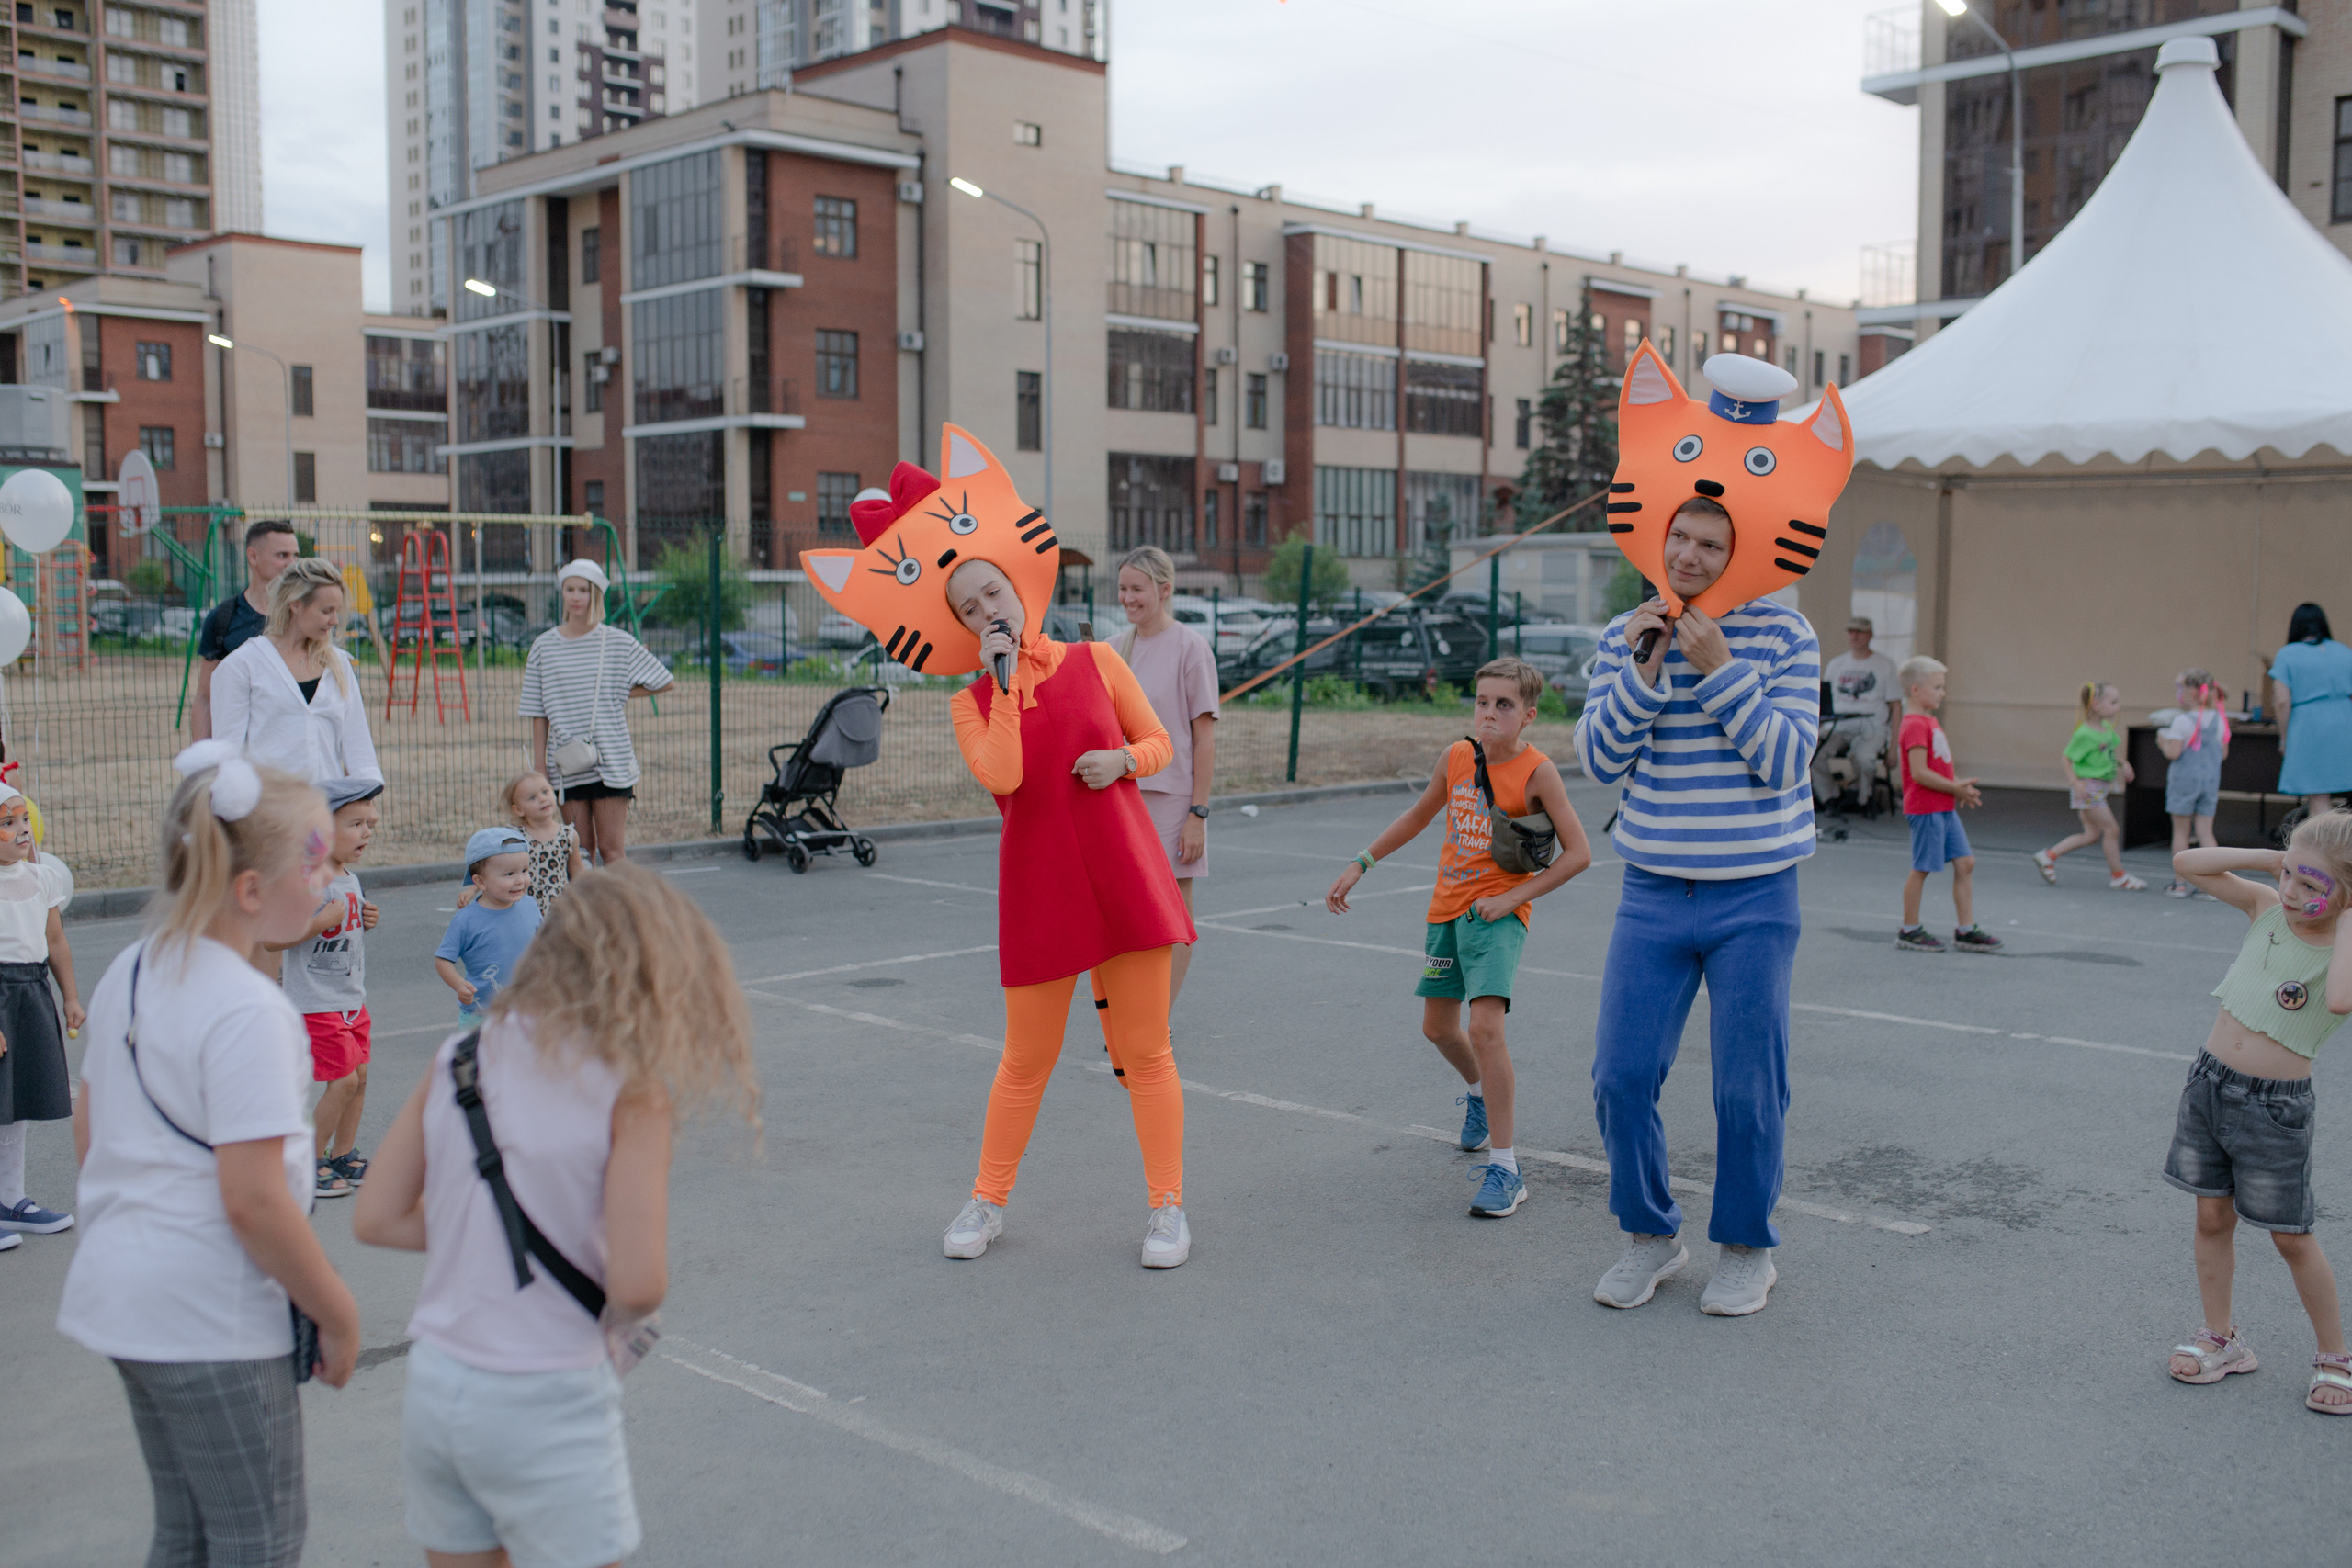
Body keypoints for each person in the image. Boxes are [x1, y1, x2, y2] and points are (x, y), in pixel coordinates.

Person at [797, 430, 1197, 1269]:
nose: (987, 614)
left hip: (1123, 871)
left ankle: (1167, 1208)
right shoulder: (970, 705)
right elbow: (1006, 775)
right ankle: (987, 1199)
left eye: (991, 596)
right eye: (968, 611)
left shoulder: (1097, 659)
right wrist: (1007, 682)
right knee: (1025, 1059)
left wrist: (1124, 759)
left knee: (1146, 1050)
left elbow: (1161, 744)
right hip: (1043, 887)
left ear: (1016, 582)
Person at [353, 863, 758, 1568]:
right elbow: (636, 1284)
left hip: (440, 1385)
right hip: (545, 1391)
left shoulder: (461, 1057)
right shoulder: (632, 1091)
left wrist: (486, 1233)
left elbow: (377, 1217)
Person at [57, 742, 360, 1568]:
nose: (330, 878)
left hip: (128, 1296)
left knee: (187, 1532)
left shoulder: (133, 967)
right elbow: (255, 1201)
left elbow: (94, 1129)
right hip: (210, 1316)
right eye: (318, 862)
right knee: (256, 1539)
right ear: (254, 890)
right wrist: (335, 1309)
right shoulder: (248, 1009)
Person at [1575, 496, 1821, 1317]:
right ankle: (1651, 1235)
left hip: (1755, 893)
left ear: (1739, 554)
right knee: (1620, 1074)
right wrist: (1645, 671)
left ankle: (1748, 1247)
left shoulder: (1787, 638)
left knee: (1749, 1086)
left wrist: (1719, 668)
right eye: (1678, 536)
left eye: (1710, 544)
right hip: (1651, 891)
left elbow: (1787, 760)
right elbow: (1600, 759)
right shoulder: (1625, 633)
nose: (1687, 554)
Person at [1325, 657, 1590, 1218]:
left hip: (1496, 916)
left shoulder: (1539, 772)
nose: (1490, 713)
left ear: (1528, 715)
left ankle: (1507, 1168)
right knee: (1437, 1028)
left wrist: (1514, 899)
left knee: (1485, 1028)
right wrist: (1362, 862)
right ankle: (1476, 1096)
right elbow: (1420, 814)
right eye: (1482, 702)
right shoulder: (1457, 756)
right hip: (1446, 912)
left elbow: (1580, 854)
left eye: (1504, 705)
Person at [2161, 815, 2352, 1415]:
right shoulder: (2266, 907)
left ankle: (2335, 1356)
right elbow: (2186, 864)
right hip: (2209, 1085)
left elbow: (2342, 999)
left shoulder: (2342, 947)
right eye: (2289, 875)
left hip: (2275, 1108)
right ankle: (2223, 1338)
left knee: (2292, 1237)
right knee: (2211, 1215)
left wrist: (2347, 920)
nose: (2293, 893)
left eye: (2310, 884)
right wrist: (2272, 860)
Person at [1110, 545, 1219, 1006]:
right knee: (1126, 911)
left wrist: (1198, 813)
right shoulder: (1115, 646)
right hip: (1122, 797)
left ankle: (1157, 1019)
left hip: (1174, 799)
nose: (1128, 598)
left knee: (1174, 912)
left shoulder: (1190, 647)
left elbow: (1204, 739)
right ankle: (1134, 1008)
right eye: (1122, 588)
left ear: (1165, 590)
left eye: (1137, 588)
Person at [264, 777, 382, 1199]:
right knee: (345, 1081)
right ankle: (308, 1163)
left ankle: (342, 1155)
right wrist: (318, 922)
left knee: (361, 1077)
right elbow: (272, 936)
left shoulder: (349, 877)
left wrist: (363, 917)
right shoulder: (308, 878)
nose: (367, 832)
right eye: (356, 824)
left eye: (370, 824)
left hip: (351, 997)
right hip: (315, 1002)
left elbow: (345, 927)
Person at [519, 559, 674, 866]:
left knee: (612, 850)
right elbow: (538, 710)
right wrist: (539, 766)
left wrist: (616, 691)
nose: (576, 597)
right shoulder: (543, 646)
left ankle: (622, 912)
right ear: (562, 593)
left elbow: (664, 681)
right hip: (565, 763)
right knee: (579, 850)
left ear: (595, 595)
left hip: (611, 760)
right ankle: (586, 914)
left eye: (583, 590)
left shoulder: (616, 641)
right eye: (570, 589)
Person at [210, 556, 382, 787]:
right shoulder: (242, 666)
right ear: (296, 604)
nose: (334, 620)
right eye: (326, 610)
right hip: (271, 812)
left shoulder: (338, 664)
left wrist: (366, 796)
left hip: (328, 811)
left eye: (337, 611)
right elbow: (228, 753)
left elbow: (358, 746)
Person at [0, 779, 82, 1242]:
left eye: (23, 819)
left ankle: (11, 1199)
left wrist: (69, 996)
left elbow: (55, 942)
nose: (21, 830)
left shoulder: (41, 877)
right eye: (7, 823)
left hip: (31, 991)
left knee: (18, 1104)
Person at [1894, 657, 2003, 953]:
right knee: (1922, 869)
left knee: (1965, 862)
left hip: (1943, 805)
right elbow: (1919, 773)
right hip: (1926, 808)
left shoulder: (1930, 721)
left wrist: (1957, 787)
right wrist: (1954, 787)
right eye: (1938, 687)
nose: (1943, 693)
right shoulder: (1914, 724)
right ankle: (1909, 929)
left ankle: (1966, 930)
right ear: (1916, 690)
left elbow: (1937, 768)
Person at [192, 519, 301, 743]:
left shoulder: (302, 617)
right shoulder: (223, 618)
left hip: (293, 748)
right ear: (253, 556)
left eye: (296, 556)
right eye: (282, 555)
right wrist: (202, 760)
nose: (292, 564)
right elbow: (205, 696)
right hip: (241, 750)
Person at [2031, 681, 2142, 891]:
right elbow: (2066, 758)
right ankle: (2118, 875)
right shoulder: (2084, 734)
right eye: (2114, 702)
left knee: (2091, 835)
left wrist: (2122, 763)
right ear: (2097, 704)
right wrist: (2075, 782)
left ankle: (2048, 856)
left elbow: (2109, 751)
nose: (2118, 706)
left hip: (2099, 787)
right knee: (2111, 829)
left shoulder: (2106, 728)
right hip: (2088, 788)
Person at [435, 828, 542, 1026]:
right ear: (480, 882)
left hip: (528, 1012)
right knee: (481, 1058)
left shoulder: (530, 906)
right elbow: (443, 959)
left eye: (525, 871)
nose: (520, 880)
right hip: (481, 1017)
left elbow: (545, 946)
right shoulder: (466, 920)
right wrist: (459, 985)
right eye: (509, 874)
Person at [2270, 602, 2352, 818]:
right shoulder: (2344, 652)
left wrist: (2285, 737)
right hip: (2345, 722)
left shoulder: (2287, 655)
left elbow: (2282, 702)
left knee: (2318, 797)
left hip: (2309, 726)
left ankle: (2323, 849)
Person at [1812, 615, 1901, 810]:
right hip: (1838, 725)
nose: (1854, 636)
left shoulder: (1885, 664)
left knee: (1864, 758)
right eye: (1850, 631)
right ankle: (1831, 796)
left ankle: (1863, 800)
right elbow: (1824, 702)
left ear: (1869, 635)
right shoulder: (1837, 664)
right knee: (1812, 754)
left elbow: (1896, 706)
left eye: (1859, 632)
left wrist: (1893, 747)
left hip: (1871, 726)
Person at [2160, 668, 2231, 898]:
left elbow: (2173, 752)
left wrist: (2162, 741)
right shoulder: (2220, 720)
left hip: (2184, 781)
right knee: (2205, 832)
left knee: (2181, 831)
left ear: (2189, 694)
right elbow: (2223, 754)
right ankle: (2210, 885)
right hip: (2209, 781)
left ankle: (2179, 883)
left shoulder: (2181, 721)